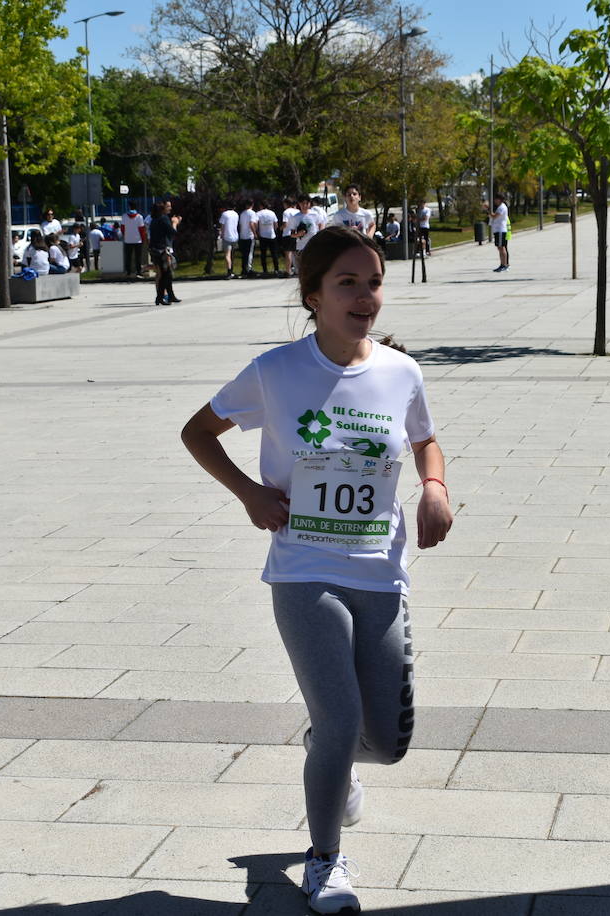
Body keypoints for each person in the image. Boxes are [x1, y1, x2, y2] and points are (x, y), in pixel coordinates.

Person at [180, 226, 452, 915]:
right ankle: (324, 862)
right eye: (348, 283)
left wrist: (435, 489)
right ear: (314, 296)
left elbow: (425, 440)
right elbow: (197, 432)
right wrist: (249, 493)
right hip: (304, 571)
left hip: (379, 574)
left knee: (386, 744)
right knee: (340, 722)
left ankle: (326, 758)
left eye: (374, 282)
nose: (367, 296)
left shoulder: (400, 372)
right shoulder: (275, 371)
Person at [148, 199, 181, 305]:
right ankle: (160, 297)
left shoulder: (154, 219)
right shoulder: (163, 218)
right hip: (161, 250)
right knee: (165, 274)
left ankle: (169, 296)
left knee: (165, 273)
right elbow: (172, 232)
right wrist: (175, 223)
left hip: (154, 249)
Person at [121, 206, 146, 277]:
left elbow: (122, 228)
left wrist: (125, 235)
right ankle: (138, 271)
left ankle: (128, 271)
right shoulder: (139, 217)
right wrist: (143, 238)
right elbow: (141, 229)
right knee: (138, 257)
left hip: (128, 240)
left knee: (128, 257)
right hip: (138, 240)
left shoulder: (124, 216)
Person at [255, 201, 279, 275]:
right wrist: (274, 230)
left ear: (261, 206)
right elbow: (276, 224)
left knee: (263, 254)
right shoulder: (272, 213)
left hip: (263, 235)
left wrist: (257, 232)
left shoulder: (258, 213)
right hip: (272, 235)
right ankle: (276, 269)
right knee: (274, 253)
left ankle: (265, 270)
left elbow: (256, 224)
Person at [489, 193, 510, 272]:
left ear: (499, 199)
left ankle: (504, 264)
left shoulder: (502, 207)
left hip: (501, 229)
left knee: (502, 247)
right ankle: (502, 264)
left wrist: (488, 210)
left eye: (496, 199)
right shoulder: (500, 207)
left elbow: (494, 216)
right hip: (498, 230)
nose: (495, 200)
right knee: (499, 247)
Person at [281, 197, 300, 277]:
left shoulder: (286, 212)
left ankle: (288, 271)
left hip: (288, 233)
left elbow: (285, 224)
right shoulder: (298, 211)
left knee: (288, 253)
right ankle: (298, 270)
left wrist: (280, 228)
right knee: (296, 253)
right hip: (297, 234)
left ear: (286, 204)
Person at [238, 201, 257, 278]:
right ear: (252, 205)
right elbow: (251, 224)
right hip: (249, 236)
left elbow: (240, 224)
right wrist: (255, 233)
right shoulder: (252, 213)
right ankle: (248, 269)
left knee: (244, 254)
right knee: (250, 253)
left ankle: (244, 268)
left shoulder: (242, 213)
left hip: (243, 235)